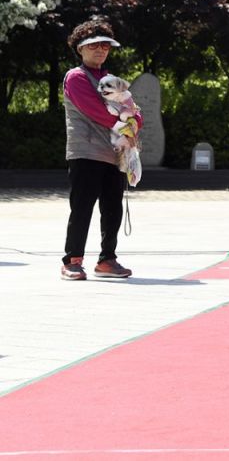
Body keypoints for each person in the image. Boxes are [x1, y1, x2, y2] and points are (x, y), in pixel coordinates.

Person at [60, 19, 142, 281]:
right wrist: (126, 125)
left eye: (105, 46)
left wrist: (133, 123)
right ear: (80, 49)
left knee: (113, 208)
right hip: (86, 150)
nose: (100, 50)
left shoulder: (110, 80)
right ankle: (72, 261)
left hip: (114, 153)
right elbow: (95, 111)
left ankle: (107, 260)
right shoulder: (76, 77)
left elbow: (133, 110)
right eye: (93, 45)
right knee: (82, 207)